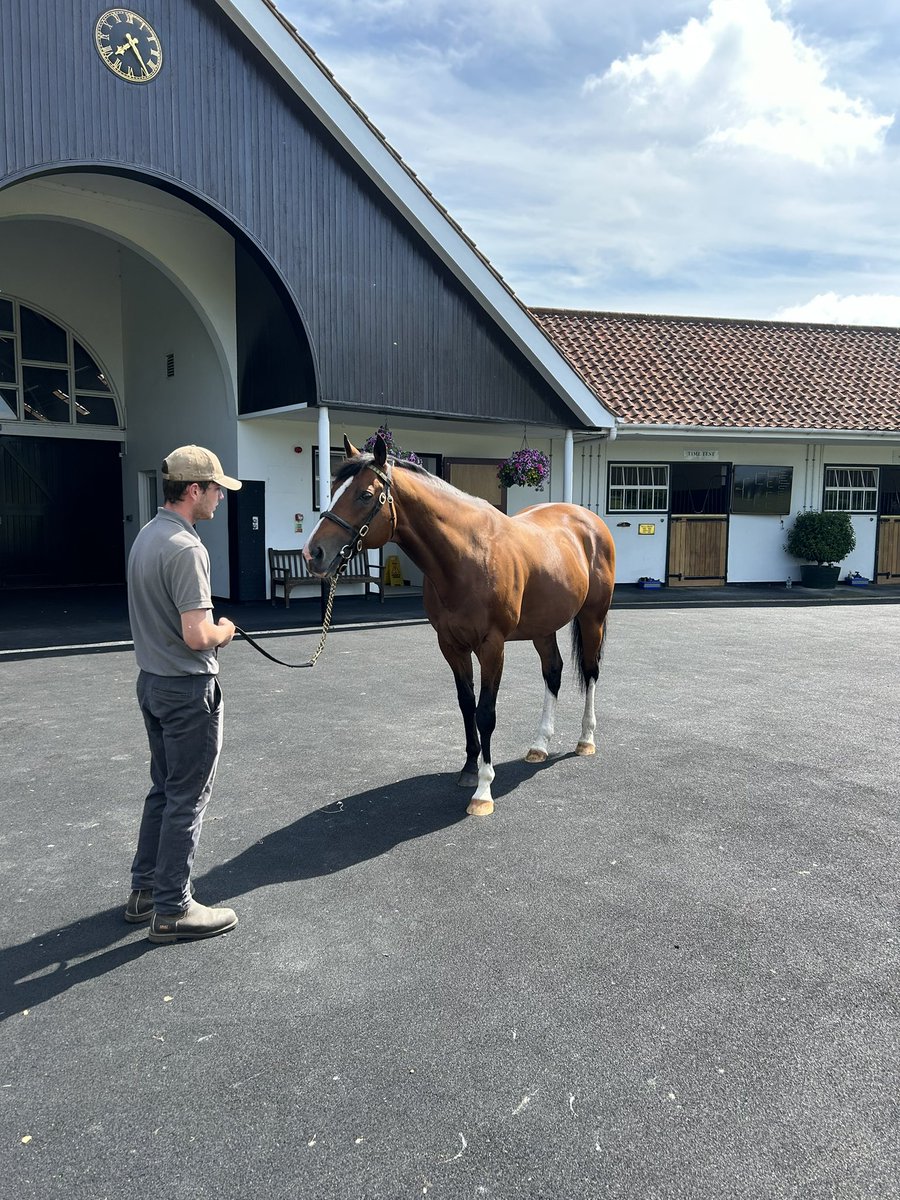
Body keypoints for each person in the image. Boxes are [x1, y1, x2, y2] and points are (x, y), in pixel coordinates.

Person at [124, 445, 242, 944]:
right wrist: (226, 630)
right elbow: (197, 634)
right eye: (216, 488)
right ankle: (173, 909)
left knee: (164, 789)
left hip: (151, 681)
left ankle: (145, 891)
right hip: (186, 688)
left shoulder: (147, 537)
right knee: (187, 798)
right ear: (193, 490)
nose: (220, 496)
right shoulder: (188, 548)